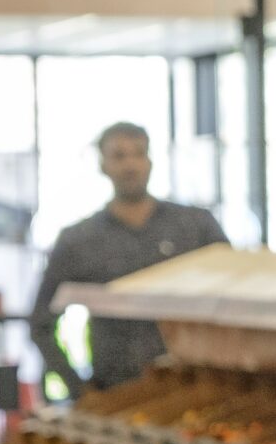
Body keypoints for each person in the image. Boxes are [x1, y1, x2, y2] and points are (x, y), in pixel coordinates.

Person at [29, 122, 227, 400]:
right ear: (103, 164)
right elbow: (40, 322)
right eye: (119, 156)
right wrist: (79, 389)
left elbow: (233, 301)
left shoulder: (195, 227)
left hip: (195, 388)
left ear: (150, 161)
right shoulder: (80, 239)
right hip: (115, 390)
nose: (130, 165)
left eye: (139, 153)